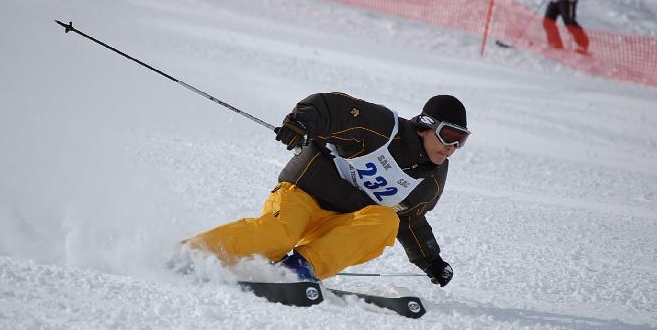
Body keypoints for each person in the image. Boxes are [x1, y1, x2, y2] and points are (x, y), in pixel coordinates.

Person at [182, 92, 470, 288]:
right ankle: (190, 253)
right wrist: (300, 123)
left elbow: (409, 219)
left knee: (386, 221)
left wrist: (431, 260)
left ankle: (298, 269)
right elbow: (330, 107)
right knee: (278, 236)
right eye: (448, 136)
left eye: (461, 141)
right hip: (302, 194)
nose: (452, 148)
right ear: (424, 126)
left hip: (338, 221)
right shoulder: (383, 129)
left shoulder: (431, 181)